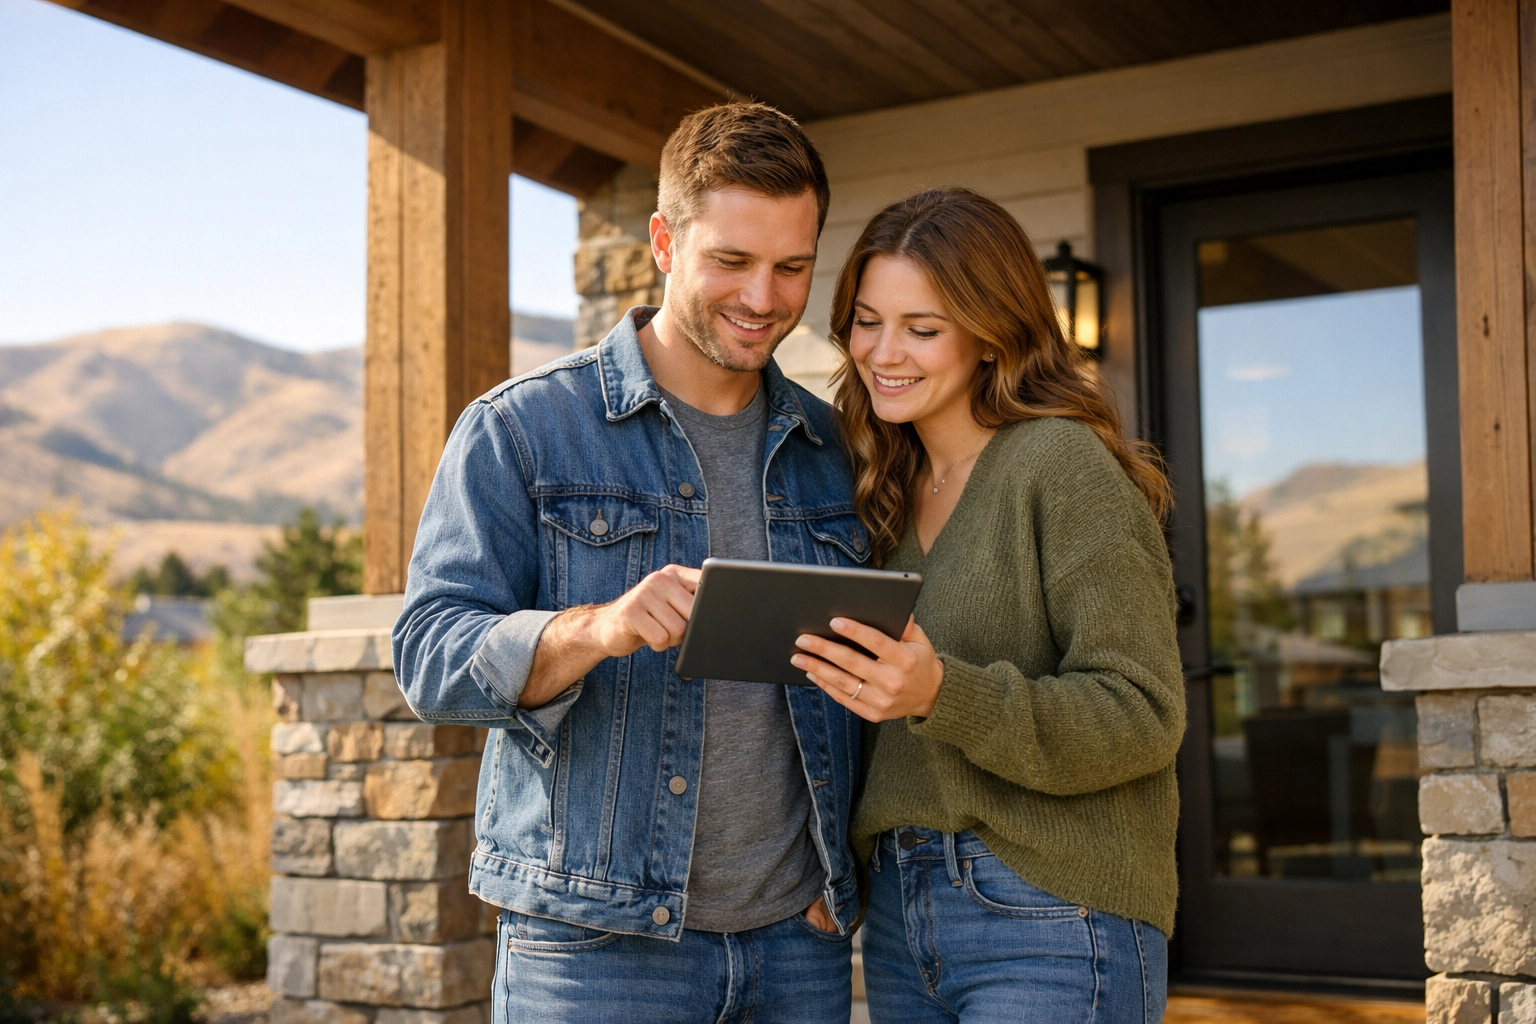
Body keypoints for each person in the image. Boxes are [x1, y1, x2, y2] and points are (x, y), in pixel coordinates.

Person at [392, 103, 866, 1024]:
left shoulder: (832, 448)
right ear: (663, 240)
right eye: (732, 261)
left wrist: (837, 884)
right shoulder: (523, 429)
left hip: (796, 947)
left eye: (792, 267)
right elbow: (430, 656)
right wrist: (594, 631)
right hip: (593, 952)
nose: (764, 297)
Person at [791, 188, 1185, 1023]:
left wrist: (943, 695)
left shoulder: (1060, 464)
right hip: (900, 915)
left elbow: (1144, 713)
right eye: (866, 321)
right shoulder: (878, 488)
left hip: (1051, 905)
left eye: (922, 329)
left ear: (991, 333)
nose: (882, 352)